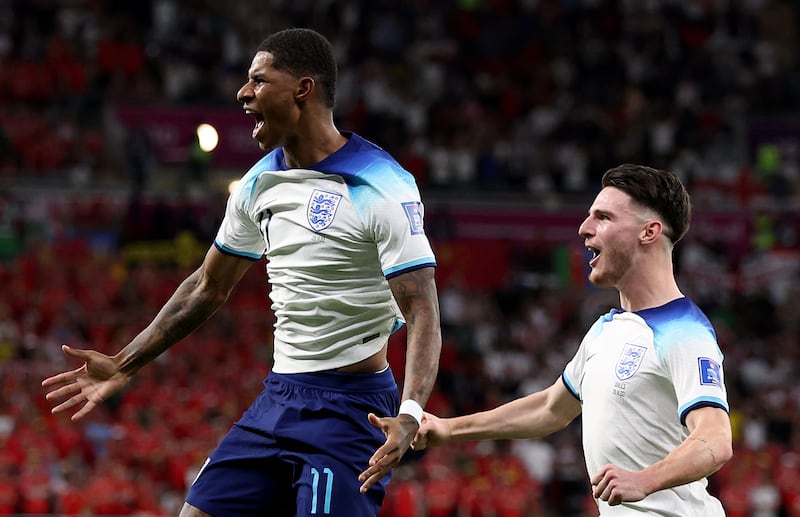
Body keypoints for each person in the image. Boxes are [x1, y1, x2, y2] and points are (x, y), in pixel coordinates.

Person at [42, 28, 442, 517]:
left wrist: (410, 413)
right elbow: (207, 286)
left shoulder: (381, 184)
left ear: (303, 89)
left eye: (258, 80)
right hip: (279, 394)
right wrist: (124, 363)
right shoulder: (258, 181)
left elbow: (421, 308)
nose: (242, 93)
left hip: (350, 410)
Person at [403, 164, 733, 516]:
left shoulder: (684, 331)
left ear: (649, 232)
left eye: (602, 217)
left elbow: (715, 438)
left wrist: (645, 480)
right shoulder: (606, 330)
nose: (584, 229)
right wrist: (448, 428)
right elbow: (549, 409)